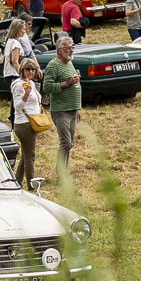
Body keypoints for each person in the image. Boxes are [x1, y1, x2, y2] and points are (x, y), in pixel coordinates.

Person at [43, 36, 82, 177]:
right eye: (68, 48)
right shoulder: (53, 65)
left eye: (72, 47)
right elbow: (46, 87)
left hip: (72, 110)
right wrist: (68, 83)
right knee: (65, 143)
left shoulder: (69, 63)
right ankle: (61, 175)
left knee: (69, 143)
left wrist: (78, 107)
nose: (71, 50)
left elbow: (76, 86)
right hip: (61, 111)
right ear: (60, 50)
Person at [9, 57, 44, 188]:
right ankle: (32, 185)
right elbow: (17, 106)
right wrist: (26, 94)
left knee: (25, 156)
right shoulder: (19, 84)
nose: (30, 72)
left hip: (32, 122)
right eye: (27, 69)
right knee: (30, 156)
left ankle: (17, 182)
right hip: (24, 124)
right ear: (21, 70)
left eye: (33, 69)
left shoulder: (30, 82)